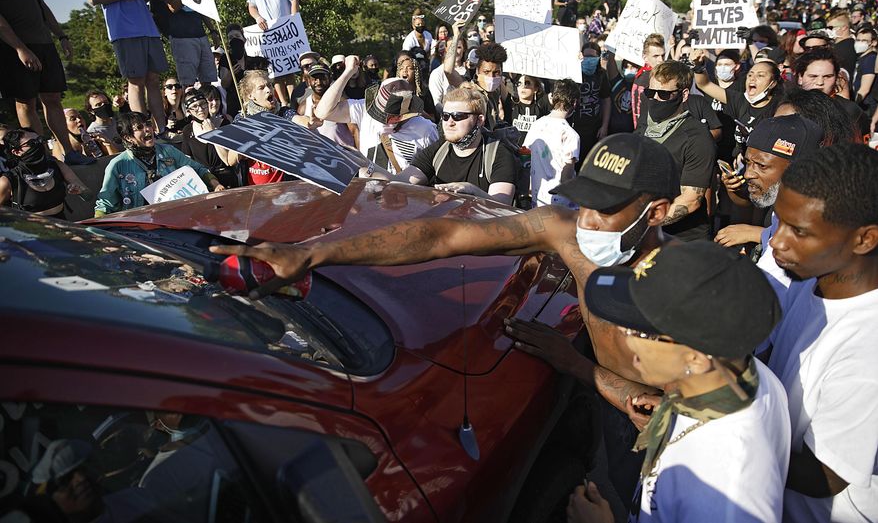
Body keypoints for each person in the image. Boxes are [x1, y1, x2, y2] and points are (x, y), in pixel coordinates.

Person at [210, 134, 683, 515]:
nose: (585, 222)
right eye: (583, 203)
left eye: (603, 211)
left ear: (655, 213)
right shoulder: (565, 229)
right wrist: (311, 253)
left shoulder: (692, 288)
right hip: (617, 414)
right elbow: (445, 234)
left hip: (678, 438)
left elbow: (688, 407)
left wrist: (575, 366)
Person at [567, 241, 789, 523]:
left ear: (695, 359)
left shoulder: (726, 490)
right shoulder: (745, 373)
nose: (625, 341)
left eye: (643, 334)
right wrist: (672, 414)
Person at [764, 143, 878, 523]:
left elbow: (825, 477)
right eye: (778, 221)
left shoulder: (867, 349)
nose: (777, 241)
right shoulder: (806, 280)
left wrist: (717, 434)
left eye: (799, 230)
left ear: (865, 239)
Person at [715, 115, 822, 296]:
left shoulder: (816, 220)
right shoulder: (782, 208)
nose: (748, 174)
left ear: (798, 169)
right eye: (748, 163)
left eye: (762, 166)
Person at [359, 85, 519, 204]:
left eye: (458, 116)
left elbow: (501, 205)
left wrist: (471, 191)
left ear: (479, 120)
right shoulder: (438, 150)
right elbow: (400, 183)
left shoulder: (498, 153)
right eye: (445, 115)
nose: (449, 122)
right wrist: (363, 163)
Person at [0, 0, 75, 158]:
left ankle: (68, 153)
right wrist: (19, 48)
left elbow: (40, 1)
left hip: (43, 41)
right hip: (16, 45)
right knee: (26, 102)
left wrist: (61, 35)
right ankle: (41, 157)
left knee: (52, 98)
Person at [86, 0, 169, 133]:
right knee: (136, 81)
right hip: (123, 29)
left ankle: (162, 129)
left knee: (154, 80)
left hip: (147, 26)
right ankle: (142, 131)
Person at [315, 56, 439, 173]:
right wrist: (347, 72)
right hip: (369, 192)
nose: (385, 120)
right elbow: (323, 112)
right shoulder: (364, 109)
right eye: (381, 113)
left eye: (394, 116)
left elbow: (433, 170)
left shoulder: (426, 129)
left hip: (407, 192)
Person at [636, 60, 716, 242]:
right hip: (645, 235)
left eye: (664, 95)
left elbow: (691, 199)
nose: (655, 99)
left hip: (682, 240)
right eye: (651, 92)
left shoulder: (697, 137)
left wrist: (643, 224)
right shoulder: (645, 122)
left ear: (684, 94)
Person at [94, 111, 223, 216]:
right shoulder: (118, 165)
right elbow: (105, 204)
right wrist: (99, 233)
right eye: (139, 128)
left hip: (176, 215)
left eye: (148, 124)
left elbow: (198, 169)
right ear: (128, 137)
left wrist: (216, 185)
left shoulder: (168, 151)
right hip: (140, 225)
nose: (147, 130)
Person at [691, 53, 783, 157]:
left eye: (760, 75)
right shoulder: (740, 101)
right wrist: (698, 66)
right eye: (750, 75)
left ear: (773, 83)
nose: (752, 78)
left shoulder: (780, 109)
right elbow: (705, 84)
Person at [246, 0, 300, 106]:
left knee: (289, 69)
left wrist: (293, 19)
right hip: (267, 31)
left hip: (285, 29)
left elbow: (294, 0)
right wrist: (257, 17)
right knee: (274, 71)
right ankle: (283, 104)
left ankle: (294, 101)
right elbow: (251, 6)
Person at [0, 128, 88, 218]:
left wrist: (80, 191)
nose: (38, 144)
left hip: (62, 227)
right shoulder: (9, 180)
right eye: (31, 143)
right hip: (31, 230)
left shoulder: (57, 166)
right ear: (17, 152)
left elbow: (89, 195)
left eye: (40, 140)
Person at [523, 79, 580, 209]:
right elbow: (567, 177)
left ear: (551, 99)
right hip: (561, 204)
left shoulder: (536, 124)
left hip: (538, 197)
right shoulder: (571, 135)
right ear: (575, 103)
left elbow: (525, 155)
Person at [444, 21, 511, 130]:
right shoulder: (468, 88)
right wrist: (456, 37)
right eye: (486, 72)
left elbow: (509, 102)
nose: (492, 77)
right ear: (477, 71)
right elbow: (448, 71)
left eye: (496, 73)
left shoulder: (497, 89)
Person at [794, 47, 867, 138]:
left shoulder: (850, 111)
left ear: (836, 78)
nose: (820, 82)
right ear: (800, 78)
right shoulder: (787, 106)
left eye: (827, 76)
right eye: (813, 76)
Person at [180, 90, 239, 188]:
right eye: (194, 107)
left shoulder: (223, 123)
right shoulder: (188, 130)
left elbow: (228, 160)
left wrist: (213, 133)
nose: (200, 109)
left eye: (203, 104)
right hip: (203, 180)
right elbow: (187, 161)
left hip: (226, 179)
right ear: (188, 111)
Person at [294, 62, 356, 147]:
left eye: (322, 78)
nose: (319, 82)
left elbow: (355, 131)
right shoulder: (303, 108)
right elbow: (300, 137)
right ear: (308, 81)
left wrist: (361, 157)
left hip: (346, 157)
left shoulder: (341, 102)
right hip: (320, 158)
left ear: (330, 79)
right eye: (314, 78)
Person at [571, 43, 611, 163]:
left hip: (594, 128)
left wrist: (604, 126)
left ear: (598, 57)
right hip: (574, 126)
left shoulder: (601, 75)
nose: (589, 60)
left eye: (592, 57)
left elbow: (606, 100)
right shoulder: (573, 73)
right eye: (586, 56)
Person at [509, 75, 551, 140]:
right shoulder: (511, 104)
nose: (523, 87)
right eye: (519, 83)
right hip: (513, 148)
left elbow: (557, 94)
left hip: (534, 149)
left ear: (536, 89)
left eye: (527, 83)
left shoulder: (541, 105)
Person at [84, 89, 123, 154]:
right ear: (91, 111)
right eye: (98, 105)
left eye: (105, 102)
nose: (103, 106)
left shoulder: (118, 120)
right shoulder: (93, 133)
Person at [851, 27, 876, 111]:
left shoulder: (870, 59)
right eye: (858, 40)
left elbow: (864, 89)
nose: (860, 43)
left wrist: (852, 108)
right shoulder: (862, 58)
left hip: (866, 105)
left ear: (873, 42)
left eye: (864, 41)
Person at [826, 10, 856, 77]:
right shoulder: (850, 44)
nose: (828, 31)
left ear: (844, 28)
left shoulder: (844, 48)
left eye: (831, 28)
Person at [160, 77, 188, 143]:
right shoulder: (160, 112)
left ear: (181, 91)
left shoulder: (187, 109)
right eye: (169, 87)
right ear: (165, 92)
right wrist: (167, 127)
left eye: (177, 86)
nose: (174, 88)